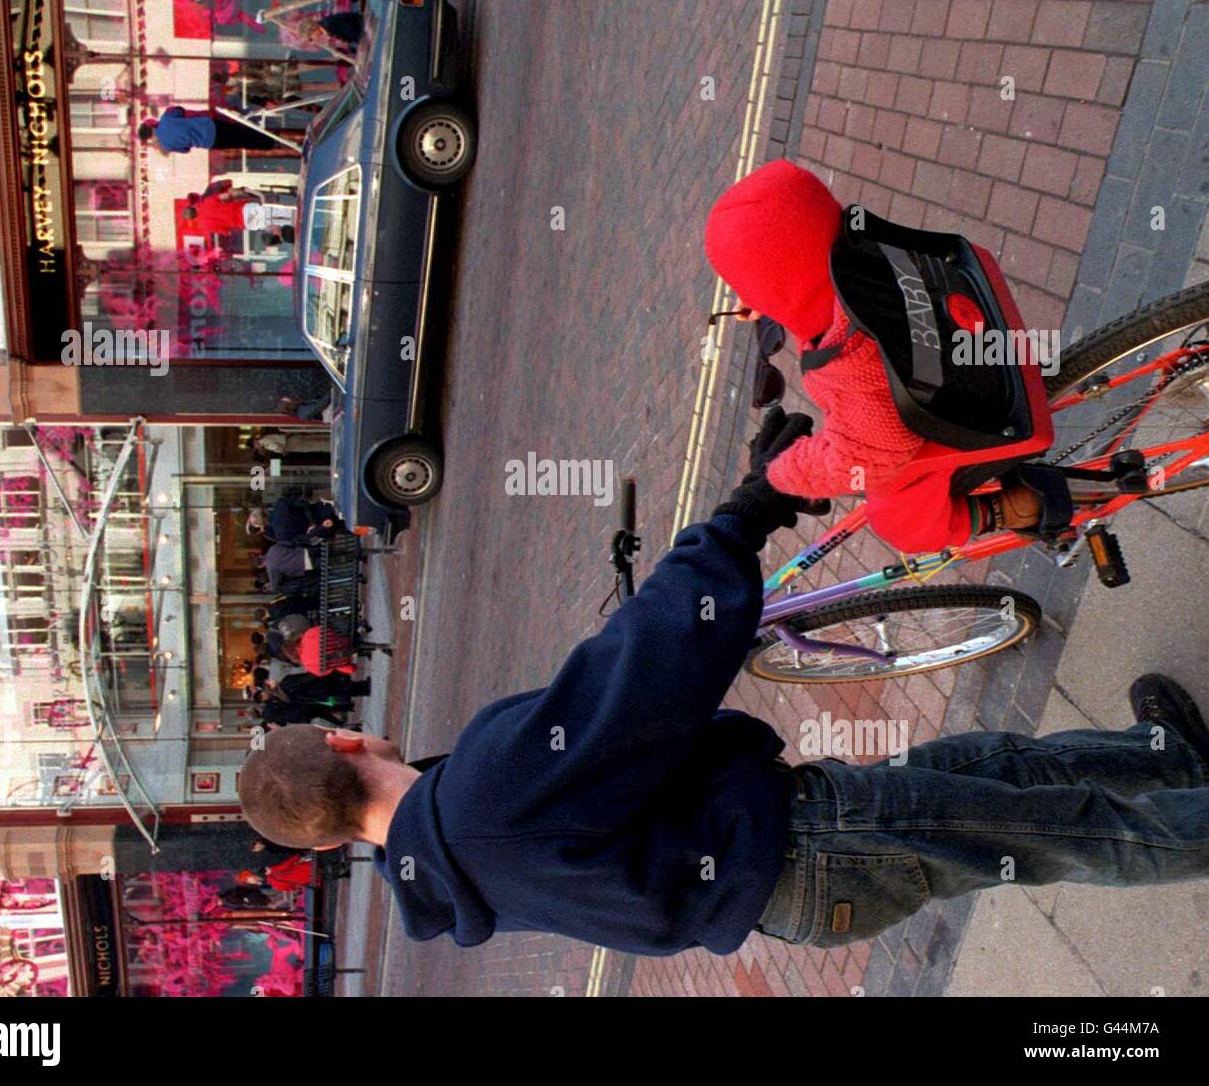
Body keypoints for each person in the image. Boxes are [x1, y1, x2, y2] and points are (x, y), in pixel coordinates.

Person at [239, 408, 1209, 956]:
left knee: (992, 766)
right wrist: (746, 512)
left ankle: (1162, 754)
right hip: (812, 844)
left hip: (795, 878)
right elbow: (644, 673)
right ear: (342, 740)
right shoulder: (476, 799)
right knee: (1073, 833)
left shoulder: (452, 859)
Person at [704, 158, 1043, 554]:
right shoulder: (865, 255)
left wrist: (781, 473)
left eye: (755, 289)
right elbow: (812, 283)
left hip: (961, 413)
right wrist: (776, 302)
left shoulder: (852, 368)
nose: (750, 301)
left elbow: (864, 458)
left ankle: (1001, 512)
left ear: (781, 289)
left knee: (897, 517)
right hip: (963, 323)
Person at [139, 106, 282, 153]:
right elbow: (179, 110)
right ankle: (272, 137)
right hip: (209, 125)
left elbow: (186, 150)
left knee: (241, 143)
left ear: (149, 138)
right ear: (150, 125)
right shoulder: (166, 118)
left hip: (209, 142)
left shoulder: (167, 145)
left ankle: (270, 145)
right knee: (242, 131)